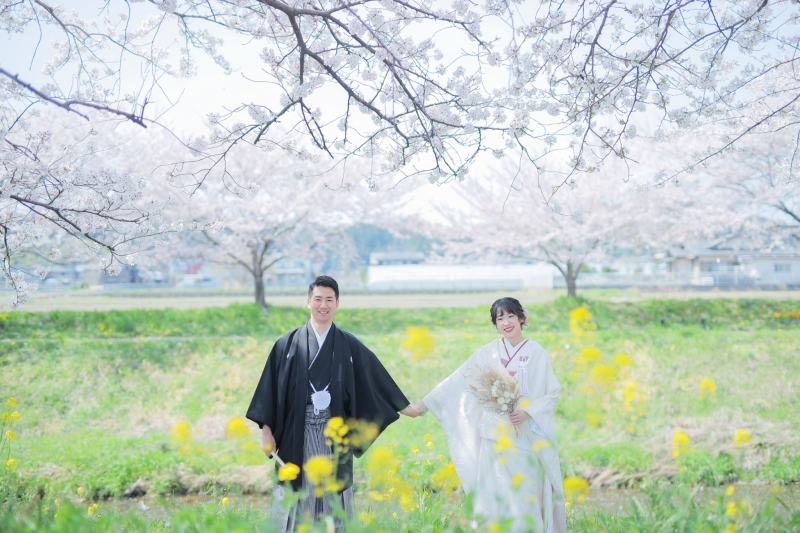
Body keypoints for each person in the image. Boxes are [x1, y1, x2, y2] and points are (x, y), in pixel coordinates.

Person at [246, 275, 420, 533]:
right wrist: (266, 432)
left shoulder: (348, 345)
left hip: (333, 433)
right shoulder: (288, 344)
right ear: (308, 302)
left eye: (329, 299)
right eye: (318, 299)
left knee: (333, 497)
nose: (323, 305)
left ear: (337, 303)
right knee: (296, 493)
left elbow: (375, 377)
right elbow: (270, 391)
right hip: (296, 433)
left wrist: (405, 407)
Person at [416, 297, 566, 533]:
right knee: (494, 498)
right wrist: (425, 404)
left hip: (524, 439)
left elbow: (552, 392)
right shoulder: (486, 353)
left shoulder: (537, 352)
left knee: (525, 496)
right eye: (500, 318)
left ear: (521, 318)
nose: (506, 322)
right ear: (495, 324)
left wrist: (528, 411)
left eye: (510, 316)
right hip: (493, 440)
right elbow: (459, 380)